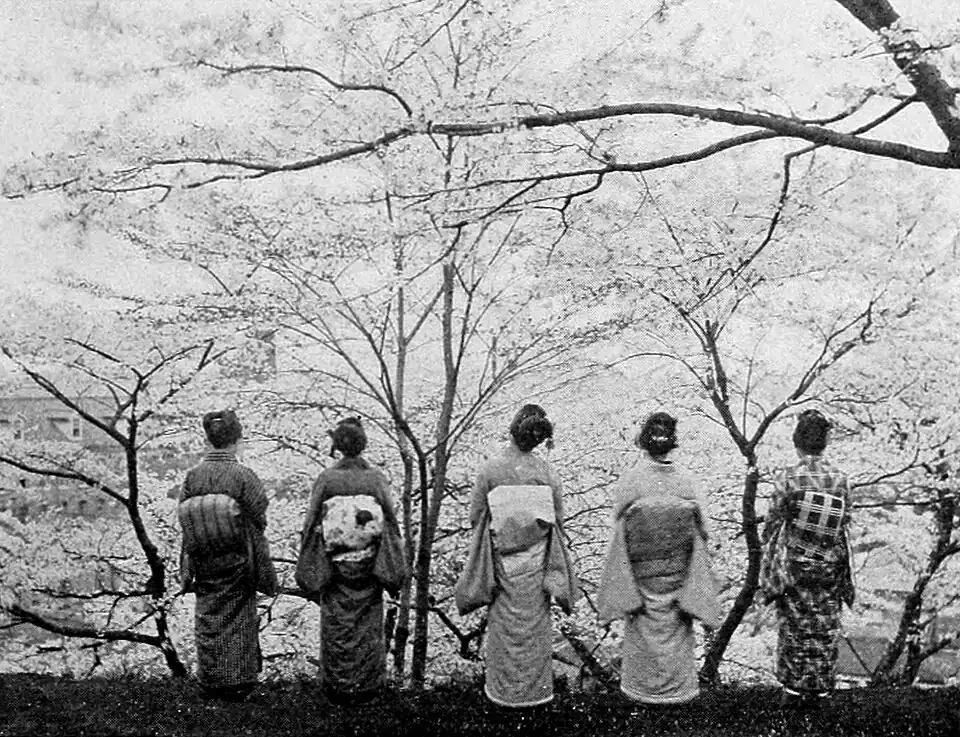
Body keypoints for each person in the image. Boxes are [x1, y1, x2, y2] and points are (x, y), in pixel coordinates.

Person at [455, 404, 579, 709]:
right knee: (535, 630)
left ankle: (503, 695)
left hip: (501, 564)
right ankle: (535, 696)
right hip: (537, 566)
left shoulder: (491, 470)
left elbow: (476, 518)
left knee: (503, 629)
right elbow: (558, 520)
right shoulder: (547, 473)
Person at [597, 411, 720, 707]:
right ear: (673, 442)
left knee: (642, 643)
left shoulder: (630, 481)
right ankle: (677, 695)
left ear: (643, 441)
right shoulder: (687, 483)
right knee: (676, 641)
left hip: (640, 582)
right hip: (679, 580)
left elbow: (618, 531)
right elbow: (704, 532)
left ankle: (641, 694)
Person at [295, 417, 408, 704]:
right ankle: (367, 688)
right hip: (369, 566)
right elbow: (391, 522)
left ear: (337, 445)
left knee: (336, 626)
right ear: (363, 444)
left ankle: (337, 688)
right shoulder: (375, 478)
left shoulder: (327, 479)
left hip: (335, 566)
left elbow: (310, 524)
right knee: (368, 627)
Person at [178, 409, 278, 702]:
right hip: (237, 560)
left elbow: (185, 518)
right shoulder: (243, 475)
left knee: (208, 616)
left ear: (208, 439)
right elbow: (259, 514)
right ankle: (238, 681)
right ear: (237, 440)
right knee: (239, 618)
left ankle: (211, 679)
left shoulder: (193, 476)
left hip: (204, 559)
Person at [761, 409, 854, 709]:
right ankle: (822, 690)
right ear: (825, 443)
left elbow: (773, 521)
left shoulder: (788, 477)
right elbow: (845, 520)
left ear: (797, 442)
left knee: (795, 626)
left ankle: (793, 690)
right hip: (829, 563)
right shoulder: (840, 479)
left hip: (796, 563)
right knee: (824, 625)